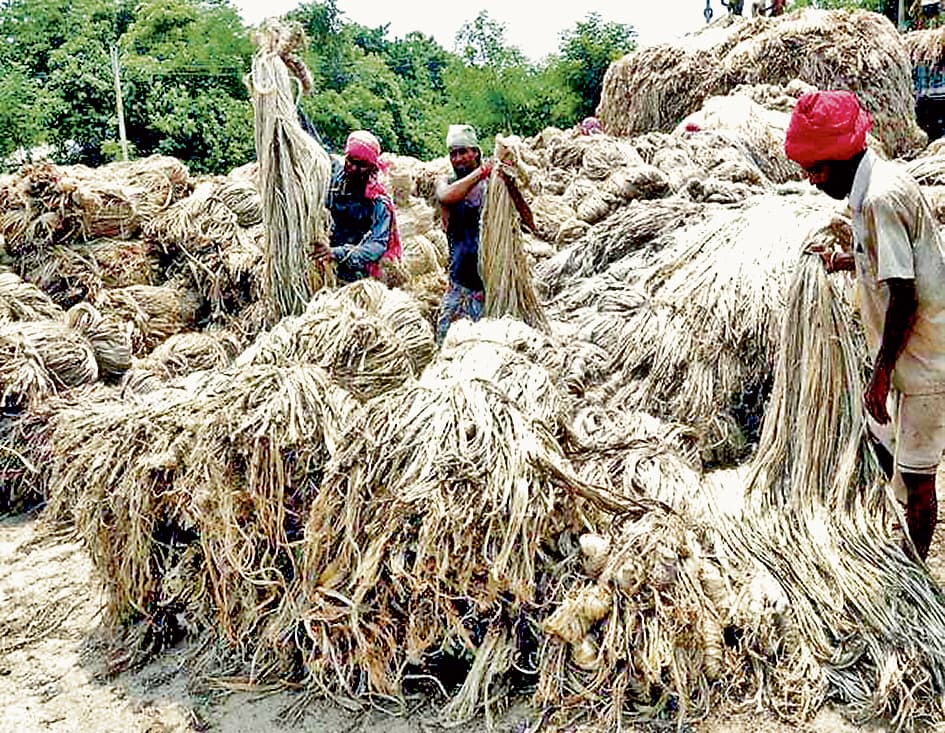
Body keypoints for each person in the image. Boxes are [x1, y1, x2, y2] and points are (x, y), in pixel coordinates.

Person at [785, 89, 945, 559]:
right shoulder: (868, 186)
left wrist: (879, 374)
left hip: (923, 361)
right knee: (882, 439)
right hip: (905, 354)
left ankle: (914, 571)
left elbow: (904, 292)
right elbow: (887, 260)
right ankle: (904, 535)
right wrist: (842, 261)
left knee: (918, 479)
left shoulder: (880, 198)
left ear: (839, 157)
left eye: (816, 169)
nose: (811, 181)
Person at [434, 124, 535, 344]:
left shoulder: (494, 186)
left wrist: (509, 184)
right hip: (460, 285)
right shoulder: (447, 183)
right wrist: (482, 171)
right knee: (447, 346)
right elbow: (446, 196)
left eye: (463, 152)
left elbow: (529, 221)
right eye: (453, 153)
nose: (458, 158)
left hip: (494, 288)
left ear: (476, 152)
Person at [321, 130, 401, 282]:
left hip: (354, 270)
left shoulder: (378, 202)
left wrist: (337, 253)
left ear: (372, 167)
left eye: (362, 165)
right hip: (323, 257)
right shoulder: (334, 177)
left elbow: (377, 245)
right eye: (351, 161)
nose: (354, 169)